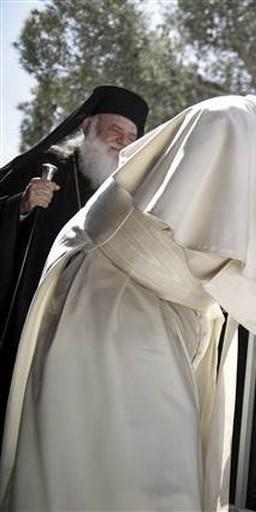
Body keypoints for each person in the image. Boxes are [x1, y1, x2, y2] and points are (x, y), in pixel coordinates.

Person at [0, 73, 256, 511]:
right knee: (121, 473)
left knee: (166, 467)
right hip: (116, 300)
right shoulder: (228, 124)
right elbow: (219, 265)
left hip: (173, 316)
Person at [0, 85, 148, 452]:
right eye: (115, 131)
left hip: (80, 325)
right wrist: (21, 205)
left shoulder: (122, 191)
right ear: (87, 127)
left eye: (131, 137)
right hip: (25, 314)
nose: (121, 142)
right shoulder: (46, 165)